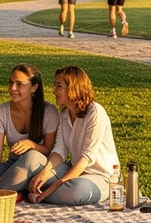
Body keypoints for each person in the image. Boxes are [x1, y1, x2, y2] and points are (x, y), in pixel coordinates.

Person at [24, 66, 119, 206]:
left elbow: (86, 158)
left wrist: (53, 186)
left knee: (76, 190)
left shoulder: (95, 112)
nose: (54, 91)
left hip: (102, 177)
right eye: (54, 86)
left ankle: (39, 196)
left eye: (58, 86)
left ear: (73, 87)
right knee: (37, 174)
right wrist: (45, 172)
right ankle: (37, 192)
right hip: (73, 170)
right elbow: (59, 151)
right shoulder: (64, 115)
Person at [0, 63, 60, 190]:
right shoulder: (1, 111)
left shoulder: (49, 112)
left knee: (31, 157)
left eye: (19, 84)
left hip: (41, 165)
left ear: (34, 88)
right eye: (11, 82)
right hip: (13, 164)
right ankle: (13, 191)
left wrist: (31, 145)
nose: (12, 88)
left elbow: (49, 149)